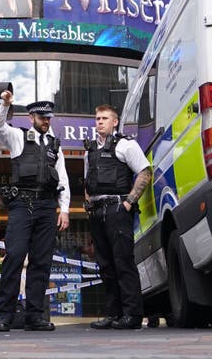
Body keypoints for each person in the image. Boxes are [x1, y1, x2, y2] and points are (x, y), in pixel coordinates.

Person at [0, 90, 70, 332]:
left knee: (41, 262)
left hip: (47, 207)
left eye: (49, 118)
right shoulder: (18, 137)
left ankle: (34, 316)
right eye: (42, 117)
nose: (46, 121)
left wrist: (64, 209)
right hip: (22, 205)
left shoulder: (55, 146)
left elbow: (63, 179)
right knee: (14, 257)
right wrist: (5, 104)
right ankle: (4, 315)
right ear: (31, 118)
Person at [84, 103, 151, 330]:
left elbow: (145, 172)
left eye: (104, 118)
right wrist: (88, 203)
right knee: (105, 265)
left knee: (123, 263)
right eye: (97, 118)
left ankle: (132, 316)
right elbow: (88, 181)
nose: (99, 122)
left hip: (117, 210)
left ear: (115, 122)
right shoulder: (90, 150)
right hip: (97, 212)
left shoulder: (125, 145)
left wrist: (129, 202)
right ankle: (113, 314)